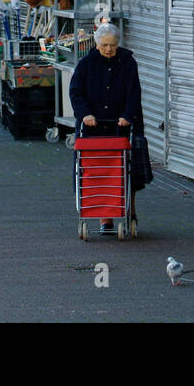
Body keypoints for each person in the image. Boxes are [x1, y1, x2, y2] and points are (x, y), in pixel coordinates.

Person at [68, 22, 142, 235]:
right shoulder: (86, 64)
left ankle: (128, 209)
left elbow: (134, 93)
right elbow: (76, 93)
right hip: (93, 128)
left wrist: (127, 115)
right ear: (96, 44)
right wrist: (84, 114)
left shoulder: (128, 63)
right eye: (104, 45)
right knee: (96, 171)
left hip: (120, 126)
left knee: (124, 170)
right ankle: (104, 217)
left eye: (113, 45)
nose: (109, 49)